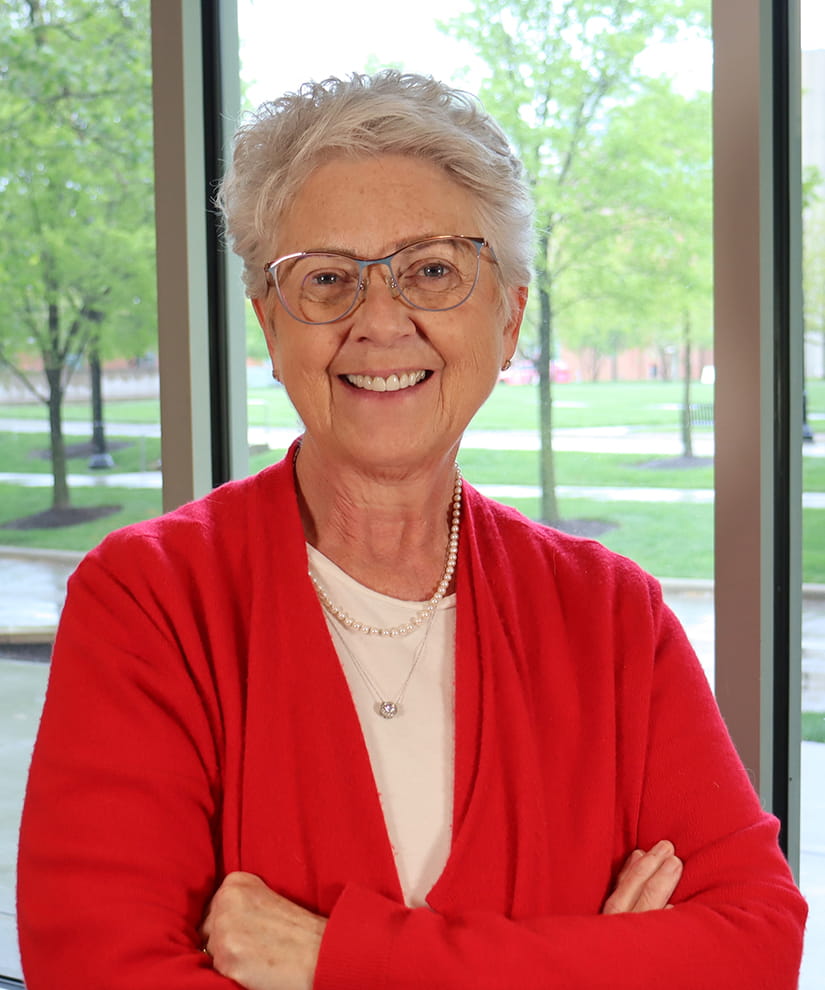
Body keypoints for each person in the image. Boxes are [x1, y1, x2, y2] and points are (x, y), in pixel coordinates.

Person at [18, 71, 806, 989]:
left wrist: (340, 960)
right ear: (271, 328)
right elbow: (99, 971)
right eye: (325, 280)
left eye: (432, 270)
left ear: (507, 319)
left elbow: (752, 948)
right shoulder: (151, 602)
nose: (380, 320)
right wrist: (594, 960)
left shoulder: (609, 616)